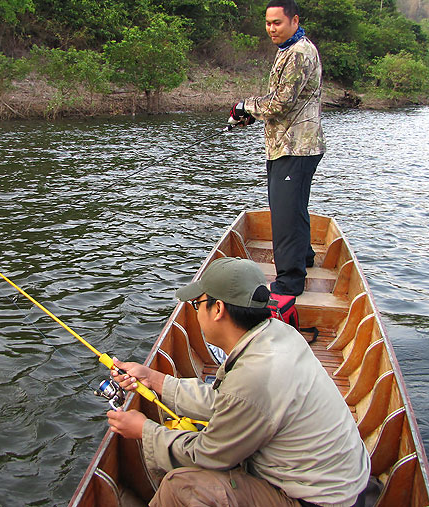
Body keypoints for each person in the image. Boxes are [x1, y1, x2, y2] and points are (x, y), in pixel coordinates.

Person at [106, 257, 370, 507]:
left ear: (218, 309)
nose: (196, 314)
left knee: (180, 487)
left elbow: (210, 455)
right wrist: (154, 379)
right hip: (345, 482)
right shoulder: (279, 333)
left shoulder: (254, 376)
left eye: (197, 305)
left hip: (320, 501)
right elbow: (227, 403)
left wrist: (144, 431)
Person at [230, 0, 324, 297]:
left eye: (278, 22)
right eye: (268, 23)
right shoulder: (288, 50)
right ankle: (304, 256)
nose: (272, 28)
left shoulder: (298, 53)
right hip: (286, 145)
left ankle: (289, 281)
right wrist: (252, 114)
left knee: (284, 214)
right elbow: (280, 103)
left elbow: (282, 103)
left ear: (294, 21)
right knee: (293, 207)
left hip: (297, 148)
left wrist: (244, 105)